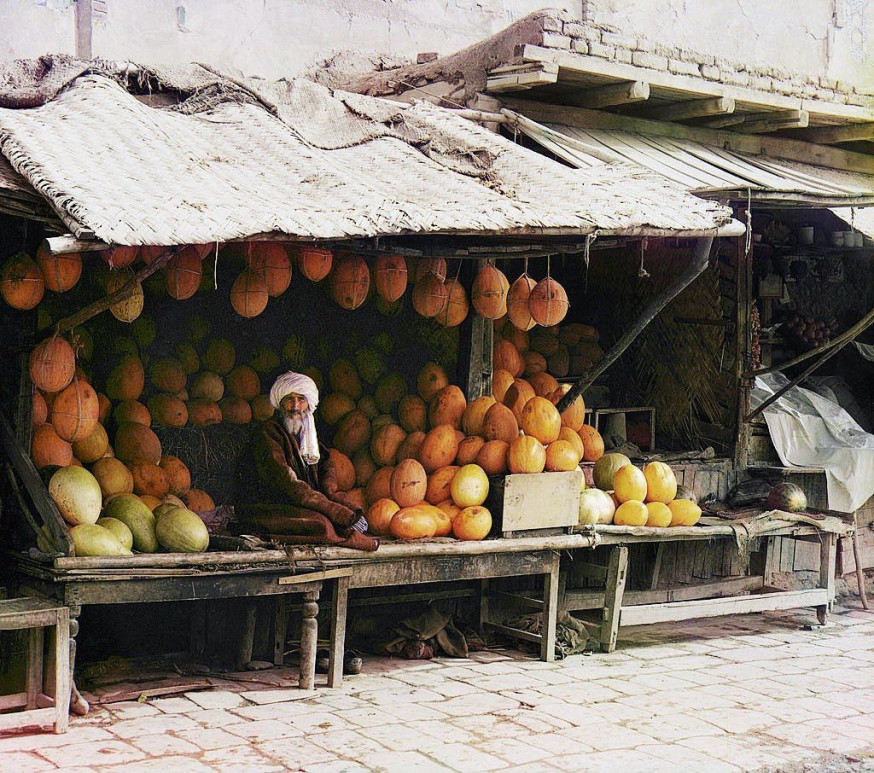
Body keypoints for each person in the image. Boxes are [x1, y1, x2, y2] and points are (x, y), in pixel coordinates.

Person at [235, 371, 378, 551]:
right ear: (280, 404)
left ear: (308, 404)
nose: (295, 406)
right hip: (268, 507)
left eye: (301, 399)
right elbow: (288, 484)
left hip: (300, 503)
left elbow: (326, 467)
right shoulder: (267, 433)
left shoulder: (307, 437)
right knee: (322, 524)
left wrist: (343, 506)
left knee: (337, 518)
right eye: (290, 399)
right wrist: (336, 512)